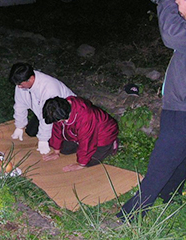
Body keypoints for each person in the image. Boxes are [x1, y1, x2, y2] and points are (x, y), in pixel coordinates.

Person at [116, 0, 186, 222]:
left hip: (182, 108)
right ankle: (170, 193)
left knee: (163, 159)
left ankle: (133, 213)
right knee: (181, 156)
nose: (177, 6)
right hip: (180, 103)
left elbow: (172, 33)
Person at [9, 62, 76, 154]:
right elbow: (20, 105)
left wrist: (43, 139)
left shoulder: (49, 89)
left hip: (62, 114)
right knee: (31, 131)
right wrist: (19, 126)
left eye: (20, 84)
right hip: (41, 112)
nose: (19, 87)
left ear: (31, 79)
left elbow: (50, 115)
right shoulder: (21, 84)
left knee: (64, 149)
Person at [42, 96, 119, 172]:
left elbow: (87, 141)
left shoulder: (86, 116)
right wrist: (56, 151)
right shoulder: (60, 108)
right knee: (64, 149)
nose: (57, 122)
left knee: (90, 161)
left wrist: (81, 164)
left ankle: (112, 145)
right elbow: (57, 128)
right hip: (78, 133)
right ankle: (78, 146)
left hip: (103, 135)